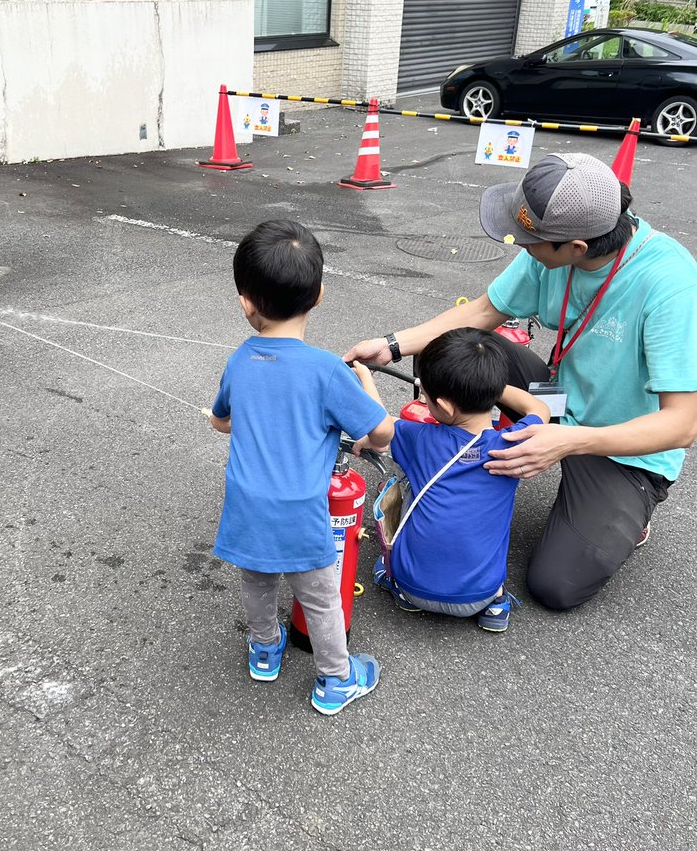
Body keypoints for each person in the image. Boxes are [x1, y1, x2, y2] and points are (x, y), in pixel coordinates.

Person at [345, 152, 697, 611]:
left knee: (556, 586)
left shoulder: (670, 284)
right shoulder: (555, 249)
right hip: (559, 398)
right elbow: (483, 312)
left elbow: (682, 425)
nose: (522, 247)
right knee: (458, 350)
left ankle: (630, 516)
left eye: (530, 241)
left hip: (621, 444)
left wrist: (567, 441)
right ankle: (458, 452)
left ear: (575, 248)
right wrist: (392, 346)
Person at [207, 220, 394, 715]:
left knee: (257, 583)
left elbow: (223, 421)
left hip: (247, 505)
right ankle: (336, 679)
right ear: (319, 295)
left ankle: (265, 650)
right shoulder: (327, 371)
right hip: (300, 513)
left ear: (245, 302)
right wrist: (366, 389)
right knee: (321, 598)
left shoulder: (239, 361)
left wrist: (221, 420)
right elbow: (382, 434)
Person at [355, 329, 550, 631]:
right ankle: (496, 604)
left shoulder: (420, 438)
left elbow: (380, 430)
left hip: (414, 588)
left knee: (409, 481)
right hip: (480, 595)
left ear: (445, 407)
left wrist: (366, 378)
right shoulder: (514, 444)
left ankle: (400, 590)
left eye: (426, 396)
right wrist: (486, 385)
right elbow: (540, 409)